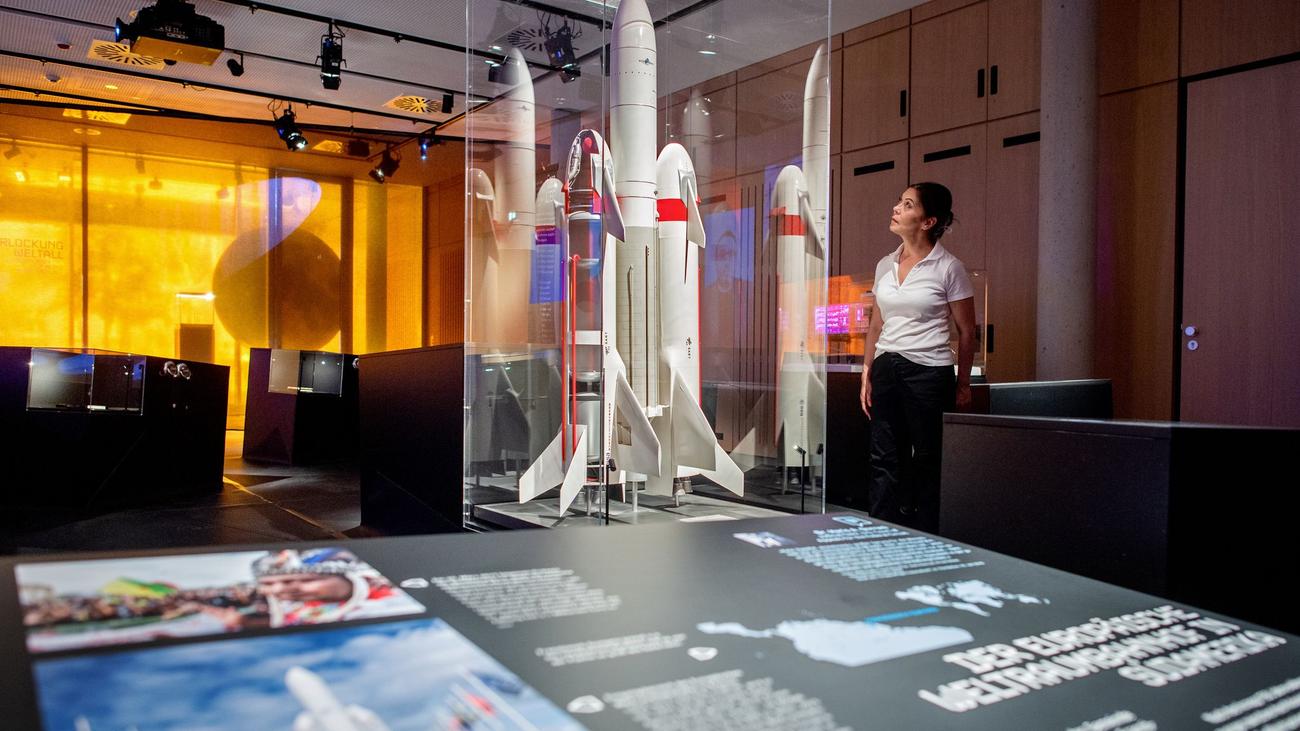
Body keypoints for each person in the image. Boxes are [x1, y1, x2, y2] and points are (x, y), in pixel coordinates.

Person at [860, 182, 976, 533]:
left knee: (927, 456)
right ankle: (880, 531)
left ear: (928, 221)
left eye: (908, 204)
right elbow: (876, 324)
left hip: (928, 371)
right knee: (883, 456)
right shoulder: (885, 264)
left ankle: (927, 534)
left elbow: (967, 331)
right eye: (900, 201)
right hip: (886, 367)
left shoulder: (949, 267)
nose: (896, 208)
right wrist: (866, 371)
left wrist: (963, 384)